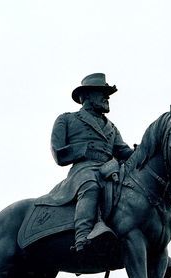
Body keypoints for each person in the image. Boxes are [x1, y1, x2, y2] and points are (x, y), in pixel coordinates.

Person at [50, 73, 134, 254]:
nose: (107, 98)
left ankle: (152, 244)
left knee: (134, 190)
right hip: (83, 170)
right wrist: (85, 149)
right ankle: (83, 236)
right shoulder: (67, 119)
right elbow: (58, 152)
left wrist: (144, 152)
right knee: (91, 185)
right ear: (87, 96)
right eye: (102, 93)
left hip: (110, 169)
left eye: (107, 95)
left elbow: (123, 151)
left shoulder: (112, 127)